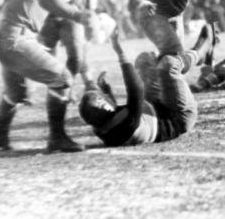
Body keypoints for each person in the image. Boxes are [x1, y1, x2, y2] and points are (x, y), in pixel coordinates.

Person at [0, 0, 95, 153]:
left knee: (16, 94)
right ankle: (57, 138)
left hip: (10, 35)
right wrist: (78, 15)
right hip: (15, 37)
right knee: (62, 78)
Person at [77, 25, 214, 146]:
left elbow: (112, 113)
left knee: (144, 60)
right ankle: (198, 53)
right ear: (102, 105)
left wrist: (107, 90)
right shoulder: (124, 125)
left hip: (155, 107)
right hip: (178, 117)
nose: (105, 97)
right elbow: (136, 89)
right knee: (168, 65)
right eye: (102, 98)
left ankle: (172, 55)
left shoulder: (104, 128)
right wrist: (119, 50)